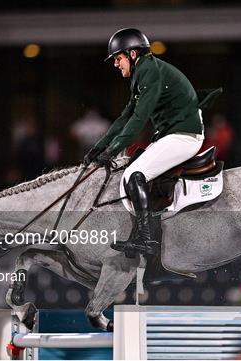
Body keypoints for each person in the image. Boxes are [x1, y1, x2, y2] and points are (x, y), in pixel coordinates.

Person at [84, 28, 205, 257]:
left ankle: (147, 240)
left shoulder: (149, 71)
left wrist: (113, 151)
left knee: (134, 175)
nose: (115, 64)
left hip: (183, 136)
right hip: (172, 134)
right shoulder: (144, 70)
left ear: (132, 54)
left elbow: (139, 120)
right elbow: (125, 116)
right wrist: (99, 147)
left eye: (118, 58)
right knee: (133, 171)